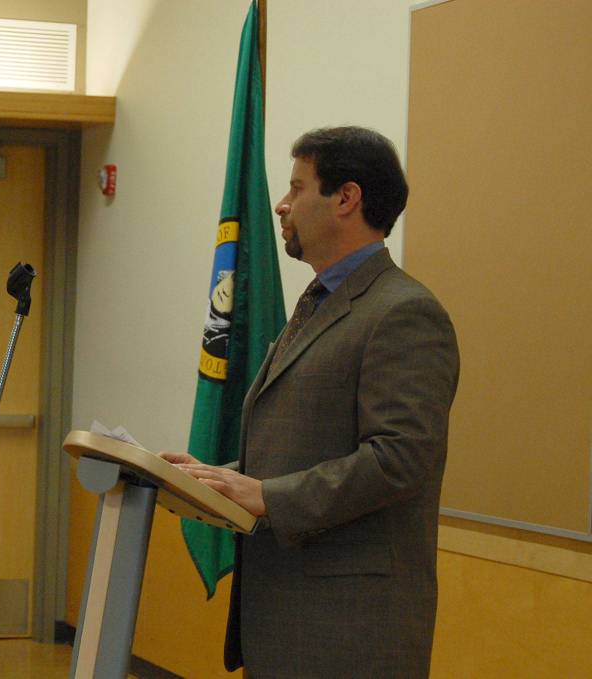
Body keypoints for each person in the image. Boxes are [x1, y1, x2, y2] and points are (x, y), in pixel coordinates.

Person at [163, 127, 460, 678]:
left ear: (346, 198)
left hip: (347, 631)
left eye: (297, 188)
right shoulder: (322, 302)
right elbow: (303, 444)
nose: (282, 205)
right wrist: (214, 478)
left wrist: (266, 496)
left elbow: (400, 459)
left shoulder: (403, 313)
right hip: (286, 620)